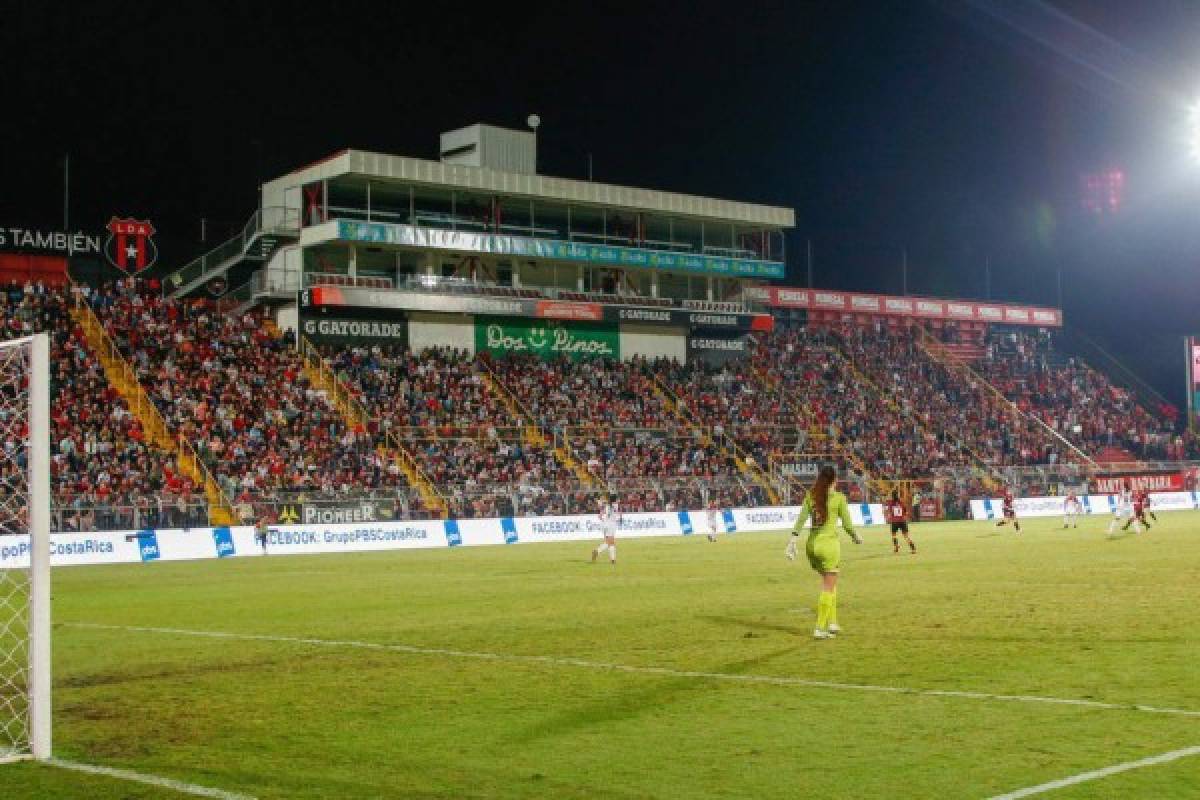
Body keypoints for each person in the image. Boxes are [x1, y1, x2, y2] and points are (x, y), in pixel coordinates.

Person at [785, 465, 862, 640]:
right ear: (835, 479)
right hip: (828, 546)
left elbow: (801, 519)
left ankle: (833, 622)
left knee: (830, 581)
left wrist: (792, 540)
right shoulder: (839, 498)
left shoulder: (811, 495)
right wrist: (856, 537)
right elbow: (848, 525)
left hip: (811, 546)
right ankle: (820, 628)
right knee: (828, 585)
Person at [591, 495, 620, 565]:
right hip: (611, 525)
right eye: (617, 499)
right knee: (610, 542)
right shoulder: (615, 505)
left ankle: (613, 560)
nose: (618, 500)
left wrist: (600, 502)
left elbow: (600, 516)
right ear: (615, 500)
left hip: (605, 525)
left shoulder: (607, 506)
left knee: (610, 542)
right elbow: (614, 506)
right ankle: (597, 551)